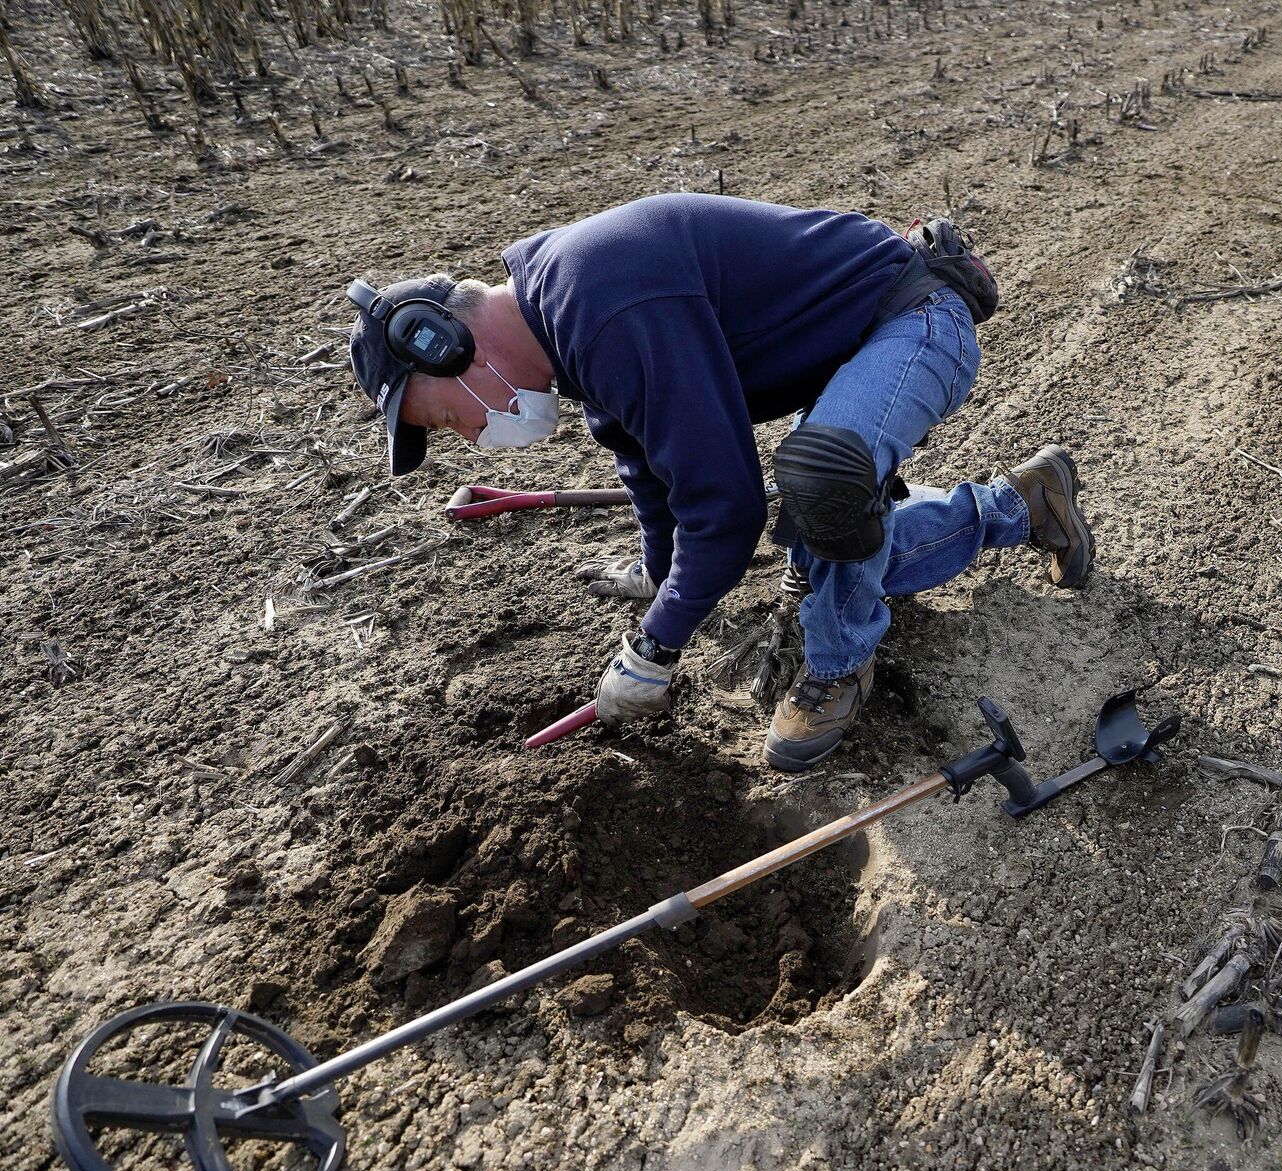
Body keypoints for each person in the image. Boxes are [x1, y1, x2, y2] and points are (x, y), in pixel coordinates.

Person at [345, 193, 1093, 771]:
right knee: (835, 551)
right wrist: (658, 574)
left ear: (444, 348)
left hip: (918, 320)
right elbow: (648, 466)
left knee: (823, 486)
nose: (470, 437)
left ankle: (838, 669)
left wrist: (654, 648)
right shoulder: (566, 324)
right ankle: (1023, 505)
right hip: (862, 351)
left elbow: (727, 513)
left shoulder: (599, 303)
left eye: (444, 420)